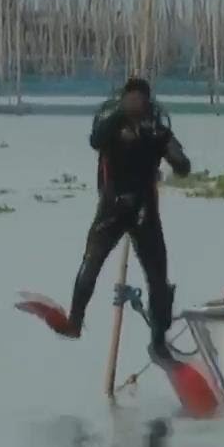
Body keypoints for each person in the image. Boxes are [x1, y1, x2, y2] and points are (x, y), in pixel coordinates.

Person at [60, 78, 192, 361]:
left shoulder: (156, 130)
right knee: (91, 262)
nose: (134, 104)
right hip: (112, 209)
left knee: (158, 278)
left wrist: (173, 153)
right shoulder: (111, 126)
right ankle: (75, 320)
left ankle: (158, 339)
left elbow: (182, 164)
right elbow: (95, 140)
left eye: (138, 100)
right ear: (122, 100)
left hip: (144, 211)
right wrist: (120, 115)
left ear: (147, 103)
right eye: (128, 99)